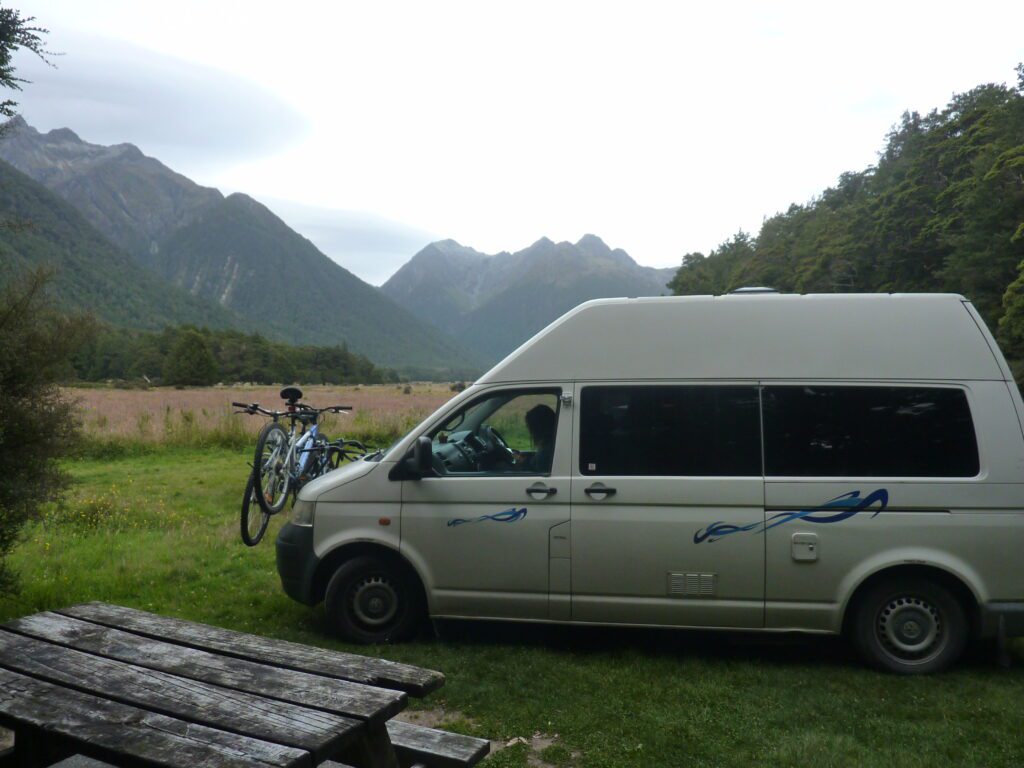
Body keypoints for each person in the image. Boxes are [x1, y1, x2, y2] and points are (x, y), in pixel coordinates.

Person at [517, 404, 556, 472]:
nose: (530, 432)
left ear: (537, 428)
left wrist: (523, 464)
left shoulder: (544, 454)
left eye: (530, 427)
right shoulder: (551, 446)